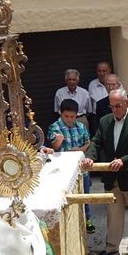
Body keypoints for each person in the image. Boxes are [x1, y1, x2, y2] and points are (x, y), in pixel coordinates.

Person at [82, 89, 128, 255]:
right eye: (111, 106)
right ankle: (111, 246)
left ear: (126, 103)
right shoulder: (105, 121)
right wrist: (90, 157)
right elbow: (96, 141)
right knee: (113, 213)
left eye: (117, 106)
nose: (114, 110)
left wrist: (124, 161)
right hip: (111, 177)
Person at [48, 99, 96, 234]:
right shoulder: (55, 127)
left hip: (81, 168)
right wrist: (58, 141)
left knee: (85, 195)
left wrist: (79, 150)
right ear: (60, 113)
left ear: (77, 115)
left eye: (72, 117)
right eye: (66, 116)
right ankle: (68, 224)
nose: (69, 119)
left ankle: (87, 219)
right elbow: (54, 147)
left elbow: (88, 143)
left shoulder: (81, 127)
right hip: (63, 171)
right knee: (66, 198)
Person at [87, 61, 112, 134]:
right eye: (99, 71)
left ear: (109, 71)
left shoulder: (115, 82)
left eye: (104, 71)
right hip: (97, 118)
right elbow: (89, 103)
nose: (101, 73)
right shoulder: (92, 84)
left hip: (112, 116)